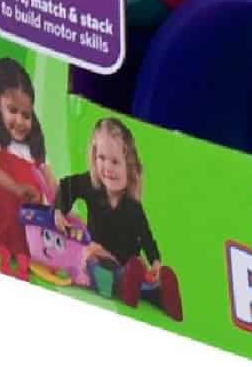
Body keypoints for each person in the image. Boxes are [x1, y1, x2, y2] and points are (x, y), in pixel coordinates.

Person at [54, 117, 183, 318]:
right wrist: (59, 210)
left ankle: (159, 292)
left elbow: (146, 236)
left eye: (115, 162)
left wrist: (156, 262)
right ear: (93, 157)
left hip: (128, 263)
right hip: (100, 254)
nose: (107, 167)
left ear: (129, 169)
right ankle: (143, 289)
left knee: (129, 275)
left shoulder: (132, 206)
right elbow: (66, 187)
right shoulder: (91, 185)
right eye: (101, 158)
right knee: (91, 261)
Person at [0, 55, 54, 277]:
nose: (20, 121)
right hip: (0, 212)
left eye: (26, 115)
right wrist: (16, 188)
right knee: (6, 241)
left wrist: (61, 205)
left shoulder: (35, 142)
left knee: (34, 243)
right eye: (12, 111)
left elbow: (50, 179)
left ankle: (22, 256)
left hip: (29, 219)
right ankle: (5, 252)